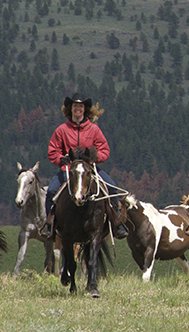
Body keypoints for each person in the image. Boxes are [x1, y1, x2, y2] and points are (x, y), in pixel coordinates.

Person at [40, 92, 128, 239]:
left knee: (111, 188)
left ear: (85, 109)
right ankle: (50, 224)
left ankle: (116, 224)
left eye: (81, 106)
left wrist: (96, 157)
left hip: (89, 169)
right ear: (70, 108)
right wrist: (60, 159)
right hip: (67, 170)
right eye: (75, 106)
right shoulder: (62, 130)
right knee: (51, 192)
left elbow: (104, 149)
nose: (78, 109)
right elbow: (53, 151)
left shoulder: (93, 129)